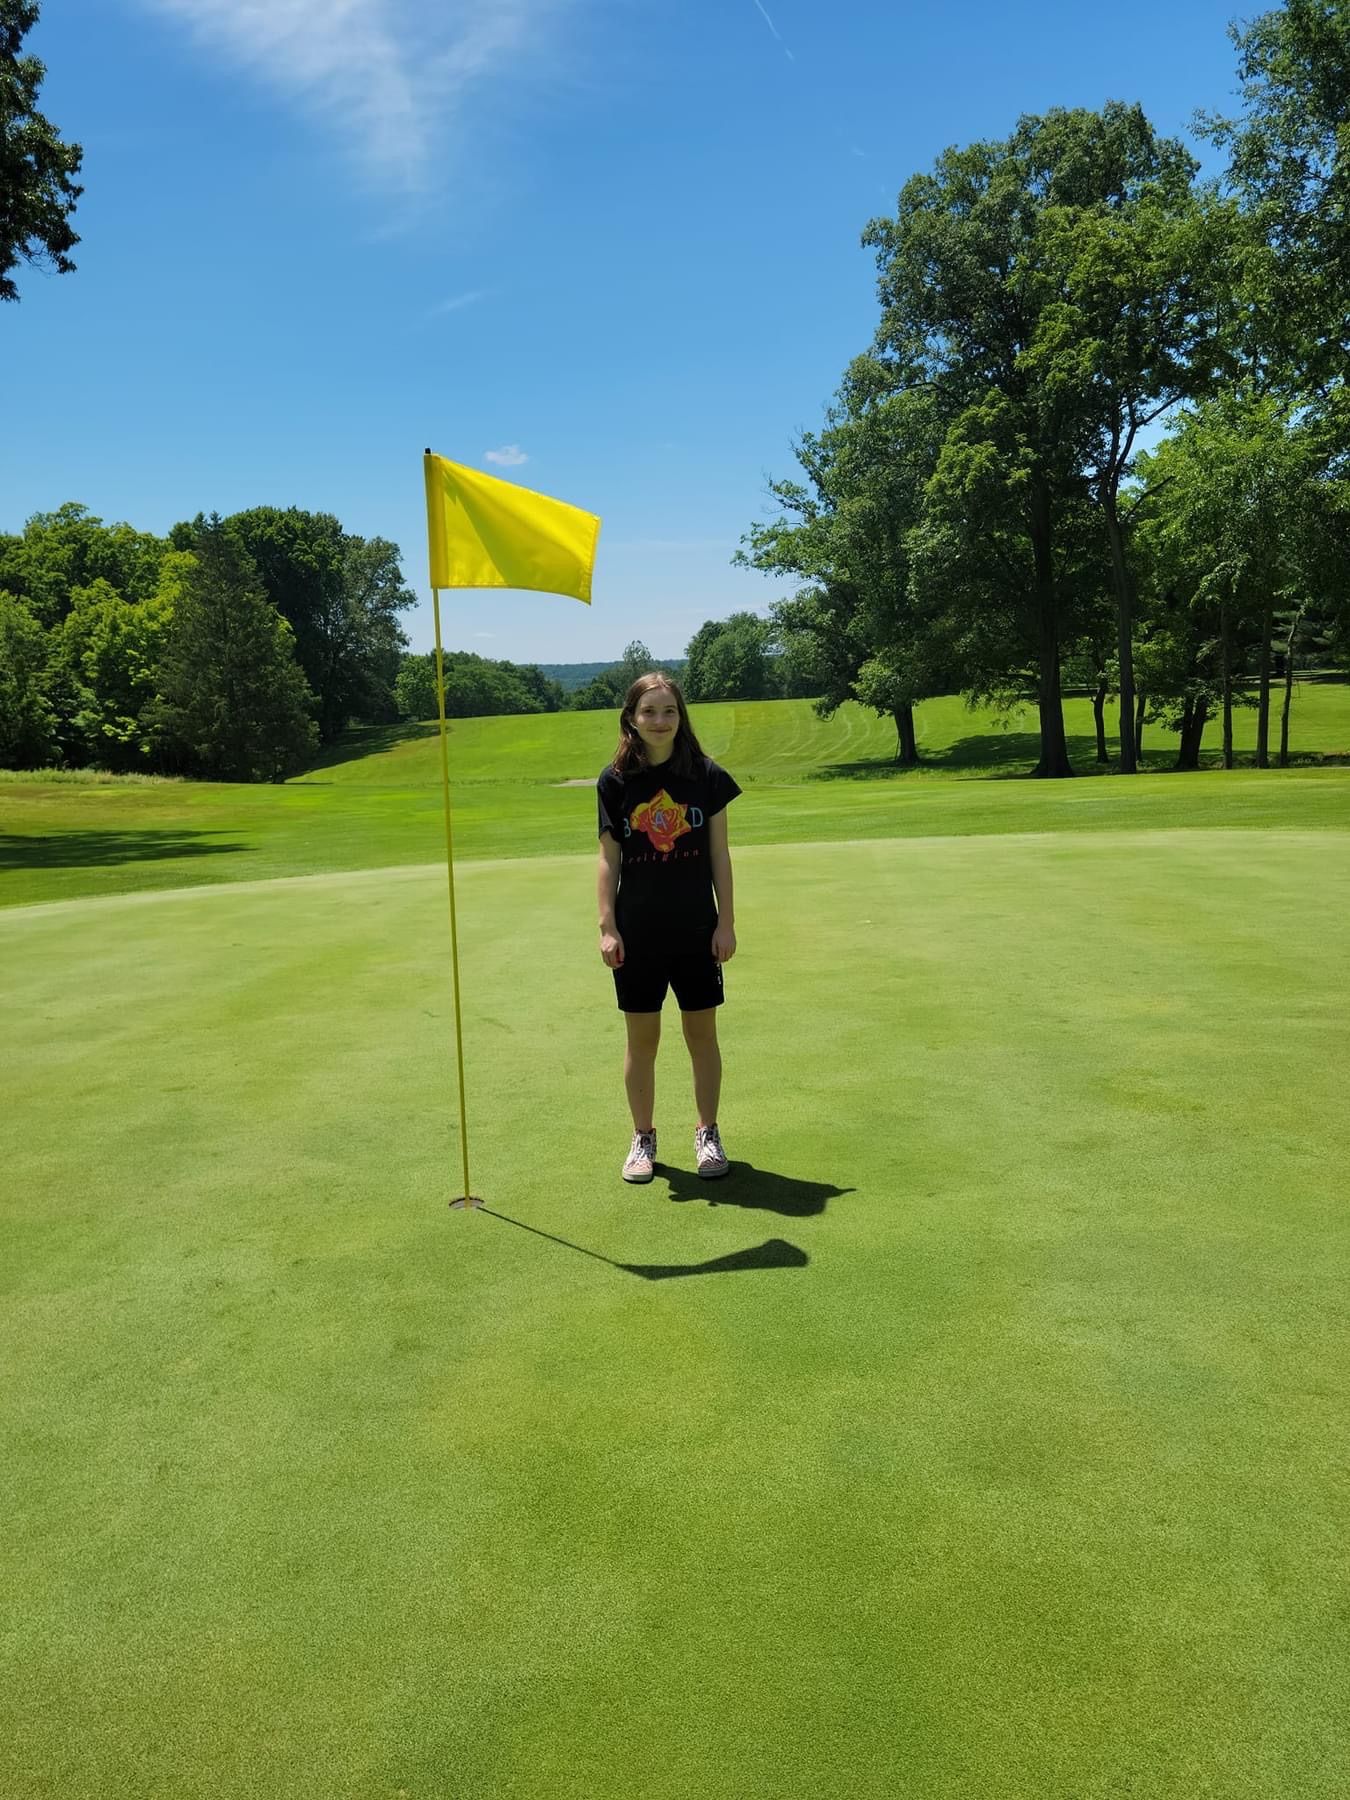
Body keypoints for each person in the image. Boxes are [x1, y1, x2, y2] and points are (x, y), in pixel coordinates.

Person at [596, 672, 741, 1184]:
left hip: (696, 930)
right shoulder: (614, 782)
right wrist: (607, 926)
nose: (660, 721)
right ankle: (643, 1137)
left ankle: (708, 1133)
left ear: (682, 717)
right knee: (643, 1042)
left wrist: (726, 921)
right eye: (649, 712)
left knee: (702, 1036)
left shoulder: (706, 776)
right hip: (637, 933)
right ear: (631, 719)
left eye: (669, 711)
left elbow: (719, 855)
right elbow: (608, 861)